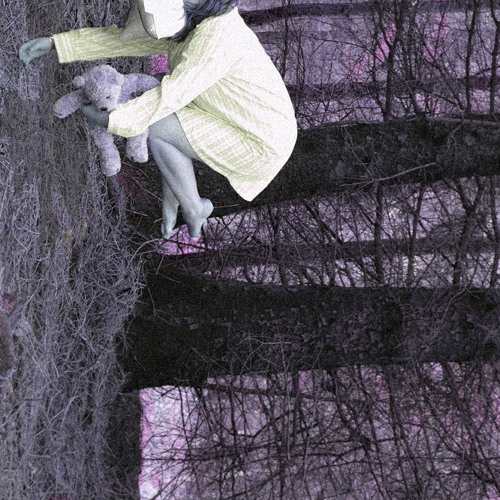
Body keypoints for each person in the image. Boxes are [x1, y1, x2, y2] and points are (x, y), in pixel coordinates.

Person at [19, 0, 298, 239]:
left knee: (157, 122)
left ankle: (191, 207)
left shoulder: (215, 37)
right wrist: (57, 44)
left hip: (261, 141)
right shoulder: (195, 20)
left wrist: (112, 119)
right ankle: (177, 201)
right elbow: (124, 40)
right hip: (243, 121)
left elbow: (168, 97)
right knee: (161, 112)